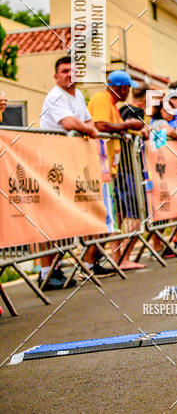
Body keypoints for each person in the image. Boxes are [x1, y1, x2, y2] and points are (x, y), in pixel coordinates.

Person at [38, 56, 99, 289]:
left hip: (71, 163)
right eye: (64, 71)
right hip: (53, 163)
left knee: (64, 218)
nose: (68, 74)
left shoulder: (79, 95)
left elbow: (87, 120)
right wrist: (89, 130)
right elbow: (71, 123)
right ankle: (46, 272)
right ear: (56, 76)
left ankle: (57, 268)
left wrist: (89, 128)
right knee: (51, 218)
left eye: (72, 71)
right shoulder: (55, 96)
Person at [88, 71, 149, 270]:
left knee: (110, 220)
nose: (129, 92)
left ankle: (99, 262)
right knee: (108, 221)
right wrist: (127, 124)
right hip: (100, 167)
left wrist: (124, 127)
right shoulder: (101, 99)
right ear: (122, 88)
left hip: (109, 169)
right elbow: (100, 125)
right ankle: (92, 263)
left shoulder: (111, 104)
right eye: (128, 88)